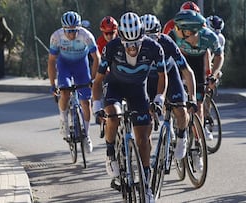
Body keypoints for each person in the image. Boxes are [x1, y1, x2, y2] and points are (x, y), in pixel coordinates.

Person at [92, 12, 167, 202]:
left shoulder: (153, 47)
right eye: (128, 44)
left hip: (137, 89)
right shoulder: (111, 47)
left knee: (143, 139)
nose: (132, 48)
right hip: (115, 85)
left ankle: (146, 185)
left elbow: (162, 76)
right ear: (121, 38)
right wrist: (97, 105)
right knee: (114, 116)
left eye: (136, 43)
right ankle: (110, 152)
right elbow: (99, 79)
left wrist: (158, 99)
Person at [141, 14, 197, 160]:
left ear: (159, 34)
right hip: (148, 79)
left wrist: (192, 99)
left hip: (170, 76)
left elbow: (187, 71)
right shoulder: (136, 47)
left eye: (153, 36)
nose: (150, 41)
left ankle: (181, 137)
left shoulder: (167, 42)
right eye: (146, 37)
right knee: (145, 121)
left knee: (180, 108)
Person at [47, 11, 100, 153]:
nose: (72, 34)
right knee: (64, 93)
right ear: (64, 29)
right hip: (64, 65)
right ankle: (63, 120)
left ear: (79, 28)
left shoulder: (86, 36)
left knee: (85, 102)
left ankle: (86, 135)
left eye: (75, 30)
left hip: (81, 66)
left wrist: (93, 79)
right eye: (69, 31)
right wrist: (53, 84)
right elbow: (51, 61)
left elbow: (97, 58)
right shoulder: (56, 37)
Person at [170, 10, 224, 144]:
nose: (174, 29)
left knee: (198, 106)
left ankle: (197, 144)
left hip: (198, 62)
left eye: (178, 27)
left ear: (188, 32)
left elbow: (219, 55)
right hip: (181, 61)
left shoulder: (210, 37)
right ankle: (173, 126)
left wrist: (214, 74)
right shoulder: (172, 35)